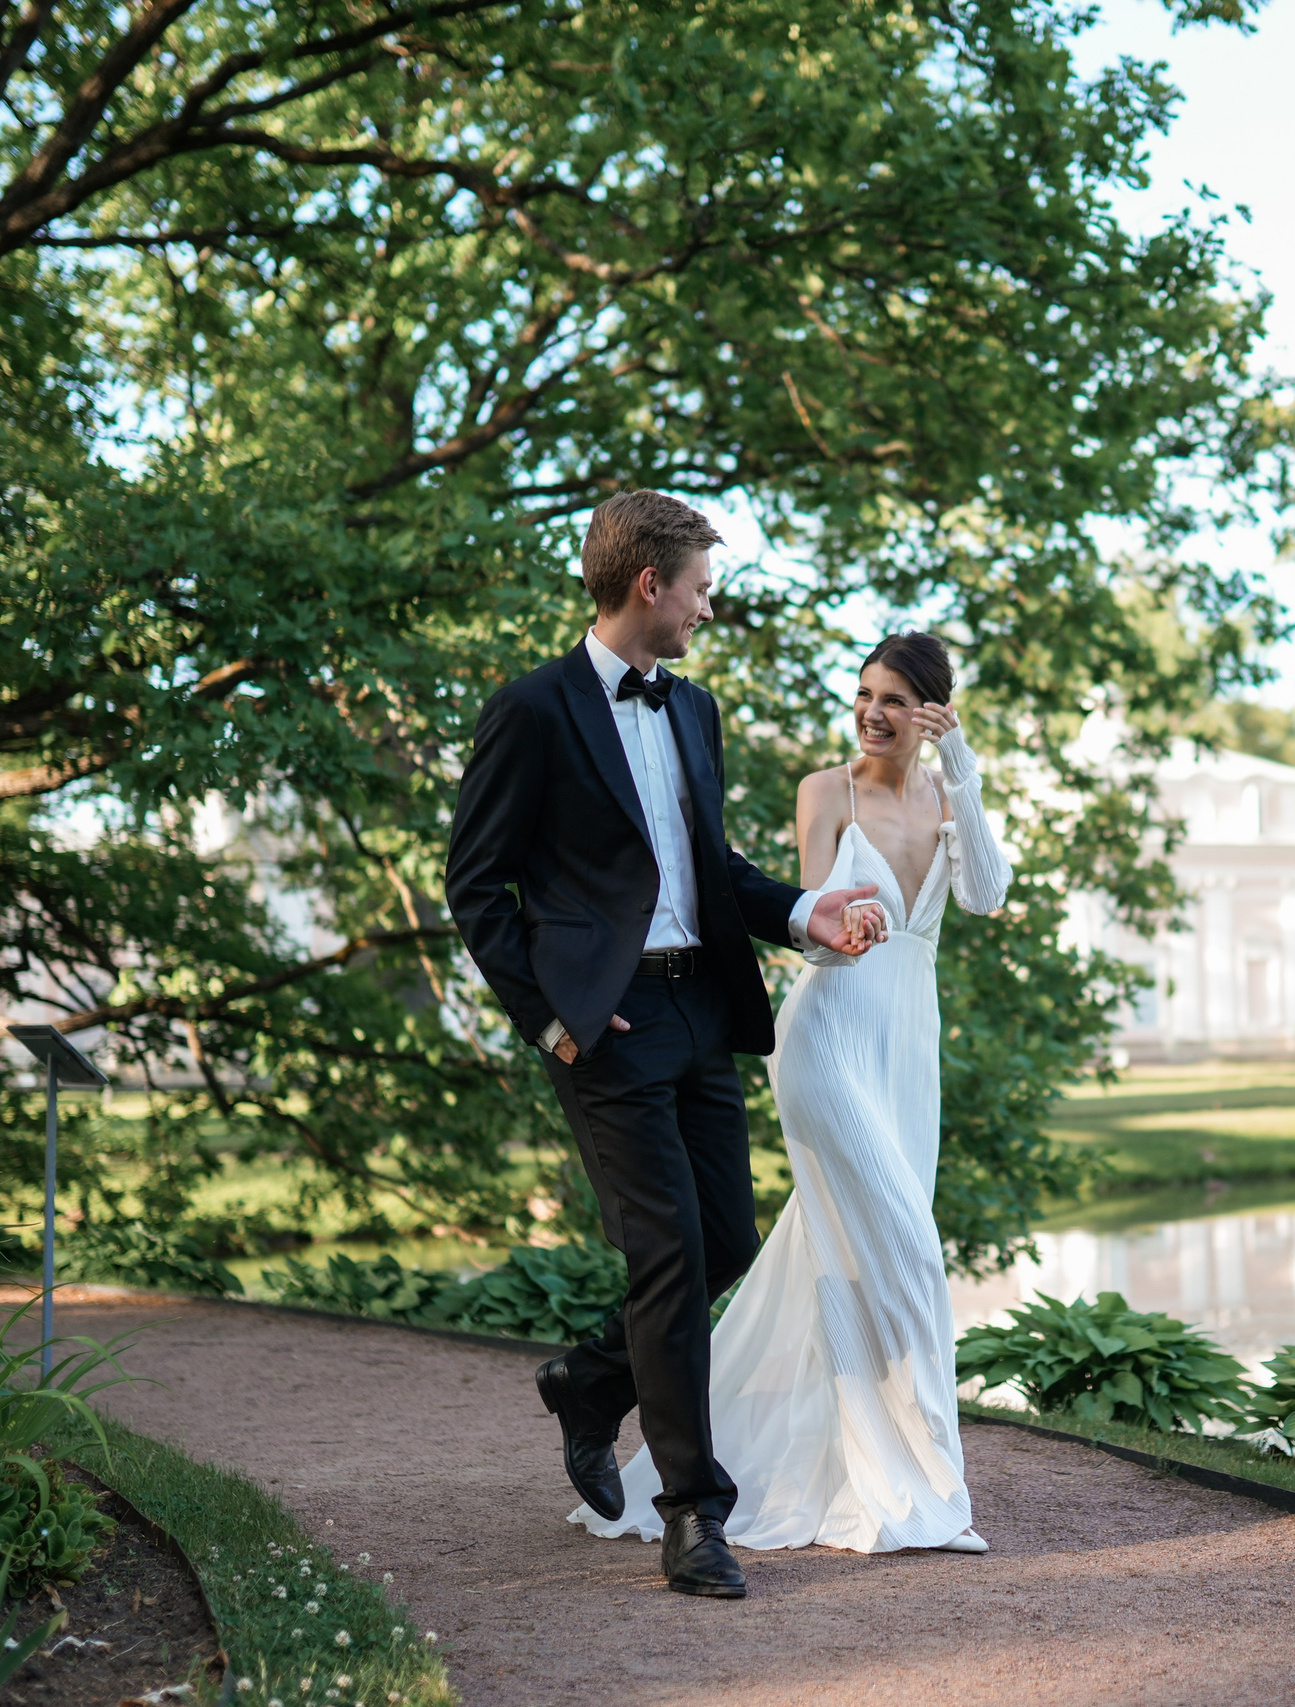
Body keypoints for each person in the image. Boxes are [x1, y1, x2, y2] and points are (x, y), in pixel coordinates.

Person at [444, 490, 883, 1600]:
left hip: (700, 1013)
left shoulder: (693, 712)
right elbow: (476, 886)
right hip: (610, 1029)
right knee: (671, 1257)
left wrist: (801, 914)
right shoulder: (532, 710)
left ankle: (590, 1385)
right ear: (651, 584)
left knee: (724, 1239)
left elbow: (712, 869)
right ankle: (693, 1513)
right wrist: (553, 1019)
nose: (704, 609)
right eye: (699, 588)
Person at [570, 630, 1012, 1555]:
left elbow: (986, 896)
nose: (873, 712)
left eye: (896, 699)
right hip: (828, 1037)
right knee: (910, 1249)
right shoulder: (826, 791)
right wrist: (836, 927)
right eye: (865, 693)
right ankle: (926, 1486)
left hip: (907, 1046)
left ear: (930, 711)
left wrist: (960, 758)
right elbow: (805, 924)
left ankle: (837, 1467)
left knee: (845, 1262)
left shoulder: (942, 795)